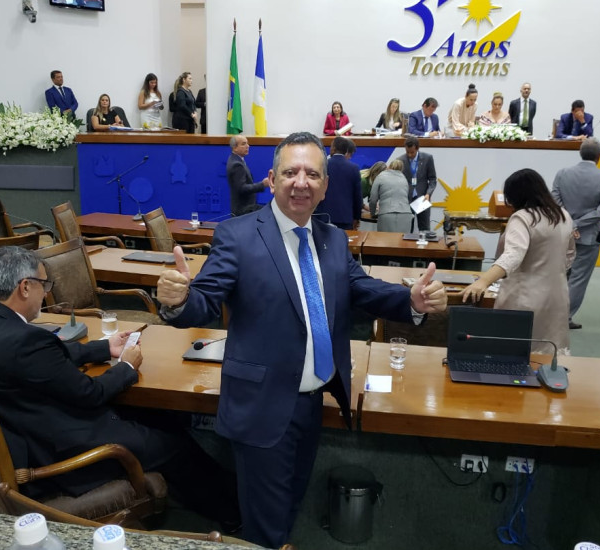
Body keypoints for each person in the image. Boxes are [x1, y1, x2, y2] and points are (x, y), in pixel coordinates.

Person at [156, 132, 448, 548]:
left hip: (311, 406)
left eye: (312, 174)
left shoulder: (330, 239)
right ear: (272, 180)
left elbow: (361, 288)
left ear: (325, 186)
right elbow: (205, 301)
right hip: (262, 408)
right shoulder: (237, 235)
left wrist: (412, 300)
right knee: (265, 530)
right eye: (291, 172)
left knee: (287, 511)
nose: (301, 182)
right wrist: (179, 301)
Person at [0, 246, 241, 530]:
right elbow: (90, 393)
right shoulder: (25, 342)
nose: (46, 293)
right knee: (172, 443)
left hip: (32, 429)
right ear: (25, 287)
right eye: (44, 284)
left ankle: (212, 487)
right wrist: (127, 366)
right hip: (63, 450)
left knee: (158, 419)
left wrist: (105, 347)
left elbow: (42, 360)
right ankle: (231, 510)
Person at [461, 169, 575, 354]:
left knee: (514, 350)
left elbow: (513, 255)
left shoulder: (523, 217)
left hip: (525, 297)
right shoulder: (563, 216)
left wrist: (483, 281)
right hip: (557, 296)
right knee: (548, 352)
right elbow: (570, 255)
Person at [551, 138, 600, 329]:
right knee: (579, 278)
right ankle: (565, 317)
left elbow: (554, 202)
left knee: (557, 274)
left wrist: (570, 223)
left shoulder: (562, 174)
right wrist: (578, 224)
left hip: (561, 233)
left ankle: (549, 312)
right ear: (599, 155)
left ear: (580, 152)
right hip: (588, 236)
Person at [315, 136, 361, 230]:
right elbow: (357, 196)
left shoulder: (322, 166)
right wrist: (357, 217)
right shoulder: (354, 168)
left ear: (333, 148)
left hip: (322, 217)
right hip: (345, 217)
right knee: (343, 244)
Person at [397, 135, 437, 231]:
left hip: (422, 198)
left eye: (412, 152)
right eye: (407, 152)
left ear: (417, 149)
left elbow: (432, 179)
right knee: (407, 229)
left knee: (424, 228)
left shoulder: (428, 158)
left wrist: (428, 194)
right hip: (406, 199)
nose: (410, 155)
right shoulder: (400, 160)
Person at [369, 160, 414, 233]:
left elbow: (373, 199)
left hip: (387, 215)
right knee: (402, 243)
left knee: (385, 242)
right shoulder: (404, 178)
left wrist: (373, 213)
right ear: (401, 169)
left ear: (389, 166)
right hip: (406, 215)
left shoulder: (380, 176)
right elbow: (408, 198)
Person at [226, 134, 265, 216]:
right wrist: (263, 184)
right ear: (235, 148)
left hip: (246, 209)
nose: (248, 146)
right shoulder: (236, 164)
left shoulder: (237, 160)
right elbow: (242, 188)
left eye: (247, 143)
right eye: (243, 144)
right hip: (243, 211)